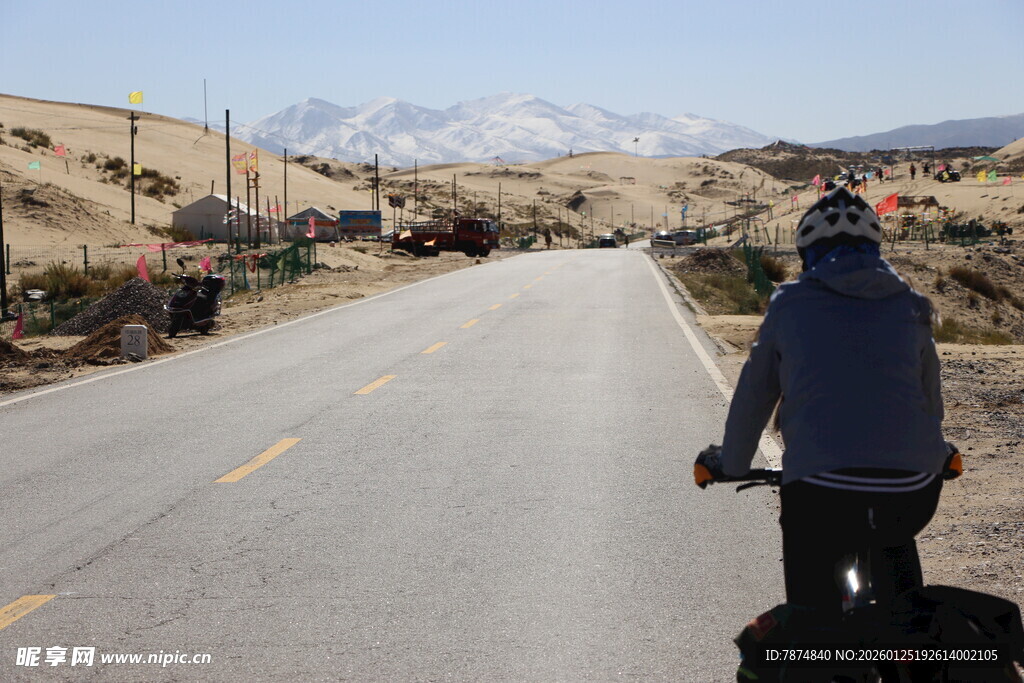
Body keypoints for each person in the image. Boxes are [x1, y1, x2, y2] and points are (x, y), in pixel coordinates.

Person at [696, 186, 948, 618]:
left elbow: (753, 399)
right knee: (901, 578)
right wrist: (937, 453)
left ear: (808, 253)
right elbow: (928, 402)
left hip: (821, 489)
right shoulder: (913, 306)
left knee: (812, 617)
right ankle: (913, 645)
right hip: (911, 490)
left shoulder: (790, 304)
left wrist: (732, 464)